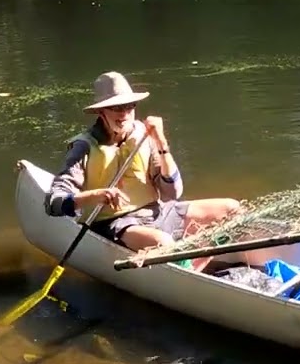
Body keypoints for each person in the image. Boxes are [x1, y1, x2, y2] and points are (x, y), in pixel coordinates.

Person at [44, 71, 241, 266]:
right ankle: (189, 275)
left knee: (232, 209)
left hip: (157, 212)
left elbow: (172, 193)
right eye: (116, 107)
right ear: (101, 112)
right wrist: (95, 196)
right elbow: (54, 203)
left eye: (129, 106)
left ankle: (196, 266)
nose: (124, 114)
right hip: (116, 223)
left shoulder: (144, 136)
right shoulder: (83, 147)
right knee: (164, 243)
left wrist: (161, 143)